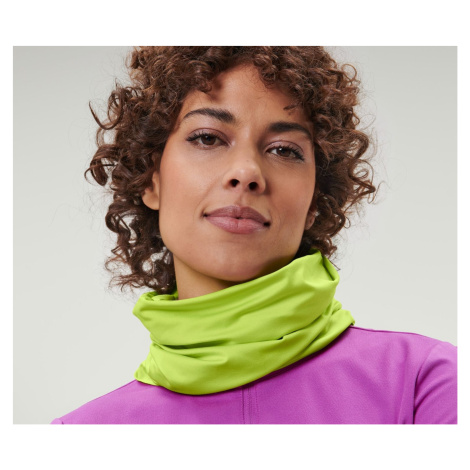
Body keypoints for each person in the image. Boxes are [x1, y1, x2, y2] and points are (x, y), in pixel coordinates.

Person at [50, 46, 457, 424]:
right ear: (150, 179)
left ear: (315, 200)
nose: (246, 172)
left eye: (284, 150)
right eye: (207, 138)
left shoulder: (426, 384)